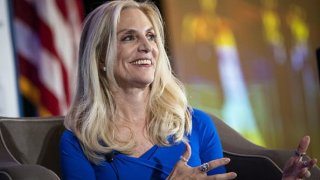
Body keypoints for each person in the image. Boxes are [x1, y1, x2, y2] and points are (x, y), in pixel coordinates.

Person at [59, 0, 317, 179]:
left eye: (151, 36)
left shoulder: (196, 125)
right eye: (129, 37)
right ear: (100, 58)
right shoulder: (79, 143)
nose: (146, 47)